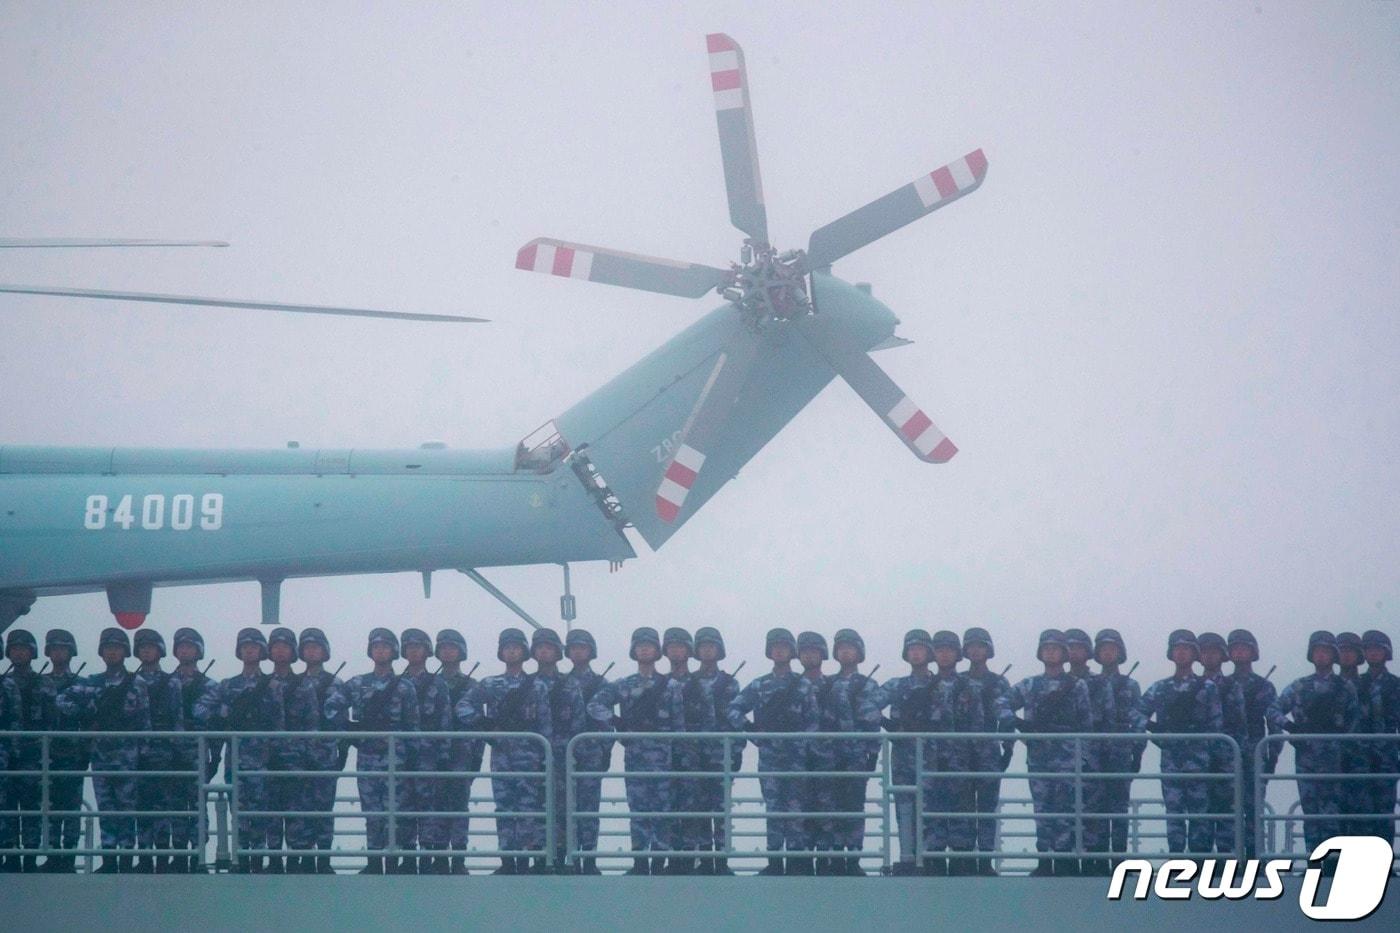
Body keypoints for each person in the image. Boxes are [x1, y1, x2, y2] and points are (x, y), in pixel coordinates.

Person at [456, 628, 552, 874]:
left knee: (530, 809)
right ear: (501, 652)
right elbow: (463, 707)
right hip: (501, 755)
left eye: (516, 647)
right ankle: (508, 860)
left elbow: (545, 723)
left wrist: (545, 755)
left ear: (524, 652)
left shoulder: (537, 686)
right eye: (507, 647)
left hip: (530, 755)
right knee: (505, 808)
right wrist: (485, 725)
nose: (511, 651)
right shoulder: (490, 683)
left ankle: (526, 859)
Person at [324, 628, 419, 874]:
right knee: (373, 813)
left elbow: (413, 726)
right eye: (376, 646)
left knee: (398, 811)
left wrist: (413, 758)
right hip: (367, 757)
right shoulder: (357, 683)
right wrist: (351, 730)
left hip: (397, 758)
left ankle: (397, 861)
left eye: (385, 646)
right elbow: (332, 707)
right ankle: (375, 861)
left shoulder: (405, 687)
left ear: (394, 651)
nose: (380, 650)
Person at [57, 627, 152, 873]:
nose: (112, 652)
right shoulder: (92, 683)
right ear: (101, 652)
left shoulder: (136, 683)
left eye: (117, 648)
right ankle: (109, 859)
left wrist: (144, 754)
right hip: (100, 756)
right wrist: (88, 712)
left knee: (127, 810)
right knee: (107, 810)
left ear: (125, 652)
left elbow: (145, 721)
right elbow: (62, 700)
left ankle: (127, 860)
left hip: (128, 757)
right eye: (108, 648)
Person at [999, 629, 1093, 877]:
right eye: (1046, 648)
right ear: (1040, 653)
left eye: (1056, 648)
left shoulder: (1077, 685)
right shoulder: (1029, 685)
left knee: (1067, 811)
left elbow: (1086, 723)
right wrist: (1018, 724)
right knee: (1042, 810)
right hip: (1039, 756)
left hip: (1067, 757)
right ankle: (1044, 859)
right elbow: (1001, 703)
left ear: (1064, 654)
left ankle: (1064, 860)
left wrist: (1083, 756)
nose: (1051, 652)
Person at [728, 627, 819, 876]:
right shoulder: (759, 685)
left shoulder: (803, 685)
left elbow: (813, 722)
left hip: (797, 758)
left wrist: (802, 743)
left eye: (784, 646)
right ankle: (775, 860)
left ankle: (798, 861)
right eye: (775, 646)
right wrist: (752, 732)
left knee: (797, 809)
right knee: (774, 809)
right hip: (770, 757)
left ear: (792, 652)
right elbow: (734, 709)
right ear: (769, 652)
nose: (779, 650)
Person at [193, 628, 285, 873]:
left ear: (262, 651)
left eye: (254, 646)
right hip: (236, 757)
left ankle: (257, 859)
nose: (249, 650)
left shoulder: (272, 685)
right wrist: (225, 715)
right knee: (240, 812)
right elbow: (199, 710)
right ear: (239, 651)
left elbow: (279, 723)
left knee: (261, 812)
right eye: (245, 646)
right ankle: (241, 859)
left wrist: (275, 754)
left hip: (263, 758)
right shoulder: (228, 685)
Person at [588, 626, 678, 875]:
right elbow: (594, 705)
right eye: (640, 645)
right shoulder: (623, 685)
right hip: (636, 755)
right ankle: (639, 861)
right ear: (633, 651)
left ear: (658, 651)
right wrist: (617, 723)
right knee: (638, 809)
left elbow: (679, 726)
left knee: (662, 811)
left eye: (649, 645)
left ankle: (659, 863)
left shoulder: (671, 686)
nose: (645, 648)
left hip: (663, 757)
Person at [1267, 631, 1360, 856]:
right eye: (1317, 651)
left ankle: (1333, 861)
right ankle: (1315, 859)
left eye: (1326, 651)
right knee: (1311, 812)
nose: (1321, 655)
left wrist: (1340, 740)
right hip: (1307, 758)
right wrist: (1291, 728)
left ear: (1333, 655)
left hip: (1335, 759)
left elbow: (1354, 720)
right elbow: (1272, 710)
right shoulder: (1300, 686)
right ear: (1311, 655)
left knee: (1333, 813)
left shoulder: (1344, 687)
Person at [1131, 630, 1223, 857]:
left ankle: (1200, 861)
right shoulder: (1160, 688)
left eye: (1187, 649)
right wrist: (1156, 731)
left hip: (1200, 761)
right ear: (1171, 654)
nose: (1181, 653)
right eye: (1177, 649)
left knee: (1200, 813)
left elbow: (1216, 724)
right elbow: (1136, 714)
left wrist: (1206, 748)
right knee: (1174, 813)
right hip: (1171, 758)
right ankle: (1177, 859)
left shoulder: (1207, 687)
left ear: (1195, 654)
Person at [813, 629, 881, 876]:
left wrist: (872, 753)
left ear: (859, 653)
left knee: (853, 807)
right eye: (841, 648)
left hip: (856, 755)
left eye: (850, 648)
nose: (845, 652)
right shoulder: (825, 684)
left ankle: (852, 858)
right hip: (828, 756)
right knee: (828, 807)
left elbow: (873, 721)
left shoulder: (869, 685)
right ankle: (833, 856)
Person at [878, 628, 938, 876]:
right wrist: (891, 725)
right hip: (903, 754)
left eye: (920, 649)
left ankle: (931, 857)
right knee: (904, 804)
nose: (915, 654)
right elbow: (867, 705)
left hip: (934, 754)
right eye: (911, 649)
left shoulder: (941, 686)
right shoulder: (896, 685)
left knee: (932, 806)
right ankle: (907, 857)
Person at [263, 627, 319, 873]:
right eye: (275, 646)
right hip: (269, 759)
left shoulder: (304, 685)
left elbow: (312, 723)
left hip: (298, 760)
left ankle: (297, 860)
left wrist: (309, 757)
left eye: (285, 646)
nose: (280, 650)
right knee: (272, 813)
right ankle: (274, 860)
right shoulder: (262, 685)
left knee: (299, 814)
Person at [531, 628, 585, 871]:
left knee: (564, 808)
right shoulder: (525, 684)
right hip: (530, 758)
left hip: (563, 756)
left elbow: (578, 722)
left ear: (557, 652)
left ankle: (562, 857)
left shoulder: (569, 685)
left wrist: (572, 753)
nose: (544, 651)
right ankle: (539, 857)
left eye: (549, 647)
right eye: (540, 646)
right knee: (535, 808)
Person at [399, 627, 452, 873]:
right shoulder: (395, 683)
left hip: (429, 755)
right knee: (403, 805)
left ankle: (427, 856)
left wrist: (443, 755)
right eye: (409, 647)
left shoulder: (437, 684)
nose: (413, 651)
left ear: (427, 651)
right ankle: (408, 856)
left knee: (428, 807)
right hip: (401, 755)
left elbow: (444, 720)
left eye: (418, 647)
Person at [290, 627, 343, 874]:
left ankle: (323, 857)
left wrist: (340, 753)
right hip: (297, 756)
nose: (312, 651)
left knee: (323, 808)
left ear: (325, 652)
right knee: (299, 808)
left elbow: (342, 722)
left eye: (316, 647)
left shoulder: (336, 683)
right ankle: (302, 855)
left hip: (325, 756)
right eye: (307, 647)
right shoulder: (292, 683)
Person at [133, 629, 185, 872]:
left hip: (164, 753)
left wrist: (177, 749)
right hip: (136, 753)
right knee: (141, 808)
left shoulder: (171, 682)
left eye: (151, 646)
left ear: (160, 651)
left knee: (164, 807)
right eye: (142, 647)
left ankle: (163, 858)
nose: (146, 650)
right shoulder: (129, 682)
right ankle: (144, 857)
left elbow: (177, 718)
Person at [960, 627, 1010, 876]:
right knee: (965, 808)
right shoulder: (958, 681)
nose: (976, 650)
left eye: (980, 645)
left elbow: (1007, 717)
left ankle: (986, 858)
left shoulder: (999, 682)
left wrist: (1008, 749)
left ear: (988, 650)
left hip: (989, 753)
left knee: (987, 808)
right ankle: (968, 857)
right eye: (971, 646)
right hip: (962, 753)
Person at [691, 626, 741, 874]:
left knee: (721, 810)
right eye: (703, 645)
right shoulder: (688, 683)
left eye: (712, 645)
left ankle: (721, 859)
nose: (707, 649)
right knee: (699, 810)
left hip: (721, 755)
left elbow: (737, 719)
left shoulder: (730, 683)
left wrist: (737, 751)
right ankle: (703, 858)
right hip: (695, 756)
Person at [1092, 628, 1142, 871]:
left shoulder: (1131, 686)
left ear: (1120, 653)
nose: (1107, 653)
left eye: (1112, 648)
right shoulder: (1089, 684)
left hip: (1121, 754)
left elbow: (1139, 722)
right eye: (1103, 648)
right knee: (1096, 808)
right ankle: (1101, 860)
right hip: (1094, 755)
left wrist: (1138, 755)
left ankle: (1119, 860)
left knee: (1119, 809)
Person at [1063, 627, 1112, 871]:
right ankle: (1068, 861)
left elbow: (1108, 720)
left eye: (1079, 647)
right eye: (1069, 647)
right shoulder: (1050, 683)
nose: (1074, 652)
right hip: (1059, 757)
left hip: (1094, 755)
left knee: (1094, 810)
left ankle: (1096, 860)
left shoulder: (1099, 683)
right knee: (1063, 810)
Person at [37, 629, 86, 873]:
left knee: (72, 807)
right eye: (54, 648)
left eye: (63, 648)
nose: (58, 653)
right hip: (46, 754)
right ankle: (53, 853)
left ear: (71, 652)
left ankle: (68, 854)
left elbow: (88, 719)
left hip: (73, 754)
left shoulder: (82, 684)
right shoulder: (40, 683)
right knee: (50, 806)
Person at [1225, 628, 1277, 858]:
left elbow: (1274, 724)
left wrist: (1272, 757)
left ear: (1253, 652)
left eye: (1243, 648)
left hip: (1255, 756)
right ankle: (1231, 860)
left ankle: (1254, 859)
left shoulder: (1264, 686)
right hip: (1227, 758)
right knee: (1228, 809)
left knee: (1254, 810)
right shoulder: (1221, 684)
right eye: (1234, 648)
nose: (1239, 652)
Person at [435, 628, 482, 875]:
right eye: (443, 647)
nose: (447, 651)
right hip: (432, 754)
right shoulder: (429, 683)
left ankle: (459, 858)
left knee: (459, 806)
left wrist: (477, 758)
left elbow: (479, 723)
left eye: (452, 647)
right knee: (435, 806)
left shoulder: (472, 685)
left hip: (462, 753)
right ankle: (440, 855)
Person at [169, 627, 217, 872]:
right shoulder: (164, 683)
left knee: (198, 806)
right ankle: (178, 856)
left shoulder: (209, 686)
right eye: (181, 646)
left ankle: (198, 857)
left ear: (199, 651)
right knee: (175, 807)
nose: (184, 650)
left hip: (197, 753)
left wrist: (215, 759)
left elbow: (214, 720)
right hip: (169, 754)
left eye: (189, 646)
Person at [563, 628, 609, 874]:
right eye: (574, 647)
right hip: (564, 754)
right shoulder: (561, 681)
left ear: (591, 651)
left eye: (582, 647)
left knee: (589, 808)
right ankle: (570, 857)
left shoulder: (601, 683)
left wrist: (606, 749)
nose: (578, 651)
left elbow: (607, 721)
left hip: (591, 753)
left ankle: (589, 858)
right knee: (564, 807)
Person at [1196, 632, 1246, 855]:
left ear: (1222, 656)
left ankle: (1228, 861)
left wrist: (1239, 757)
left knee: (1227, 812)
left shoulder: (1231, 686)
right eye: (1204, 652)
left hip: (1226, 759)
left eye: (1214, 652)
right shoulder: (1192, 685)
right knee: (1201, 813)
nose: (1209, 656)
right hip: (1197, 759)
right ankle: (1203, 861)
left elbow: (1240, 723)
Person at [664, 626, 706, 874]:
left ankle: (689, 858)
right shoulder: (659, 683)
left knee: (691, 809)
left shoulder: (699, 685)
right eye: (671, 646)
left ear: (689, 652)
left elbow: (709, 723)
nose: (676, 651)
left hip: (693, 755)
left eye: (680, 646)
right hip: (664, 756)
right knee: (667, 808)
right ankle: (672, 857)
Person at [1, 630, 44, 871]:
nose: (18, 652)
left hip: (29, 753)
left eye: (23, 648)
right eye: (14, 648)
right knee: (4, 808)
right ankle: (8, 855)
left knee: (30, 807)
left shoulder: (10, 685)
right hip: (5, 757)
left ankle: (29, 857)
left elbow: (17, 718)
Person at [794, 630, 831, 876]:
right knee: (798, 810)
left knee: (826, 810)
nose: (810, 656)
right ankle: (801, 860)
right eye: (805, 652)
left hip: (827, 759)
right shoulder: (790, 686)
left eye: (814, 651)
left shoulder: (832, 686)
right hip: (794, 758)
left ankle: (827, 859)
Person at [1357, 631, 1398, 846]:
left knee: (1384, 814)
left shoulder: (1396, 686)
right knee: (1361, 814)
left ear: (1386, 653)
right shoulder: (1355, 684)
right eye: (1369, 649)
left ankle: (1385, 865)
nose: (1373, 653)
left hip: (1387, 759)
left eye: (1378, 649)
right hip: (1359, 759)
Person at [1335, 632, 1369, 836]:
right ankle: (1334, 865)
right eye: (1342, 651)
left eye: (1351, 651)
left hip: (1367, 758)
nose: (1346, 656)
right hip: (1334, 759)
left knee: (1366, 816)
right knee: (1336, 815)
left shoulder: (1369, 684)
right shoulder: (1330, 685)